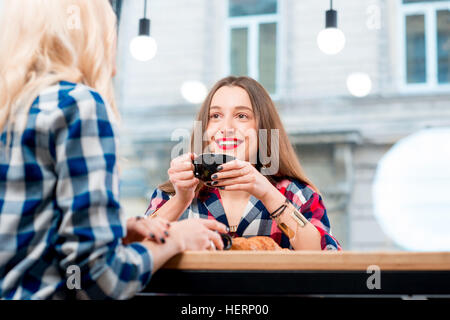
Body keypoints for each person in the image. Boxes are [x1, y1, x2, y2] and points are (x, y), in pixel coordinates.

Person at [0, 0, 227, 300]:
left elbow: (27, 237)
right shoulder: (79, 106)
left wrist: (116, 232)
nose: (115, 68)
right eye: (109, 39)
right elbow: (96, 278)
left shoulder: (12, 110)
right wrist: (175, 239)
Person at [145, 76, 341, 251]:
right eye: (215, 116)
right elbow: (138, 251)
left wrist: (268, 194)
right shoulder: (172, 194)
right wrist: (181, 199)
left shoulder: (297, 194)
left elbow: (324, 258)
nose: (226, 128)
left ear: (263, 128)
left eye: (241, 116)